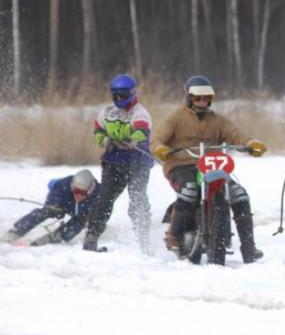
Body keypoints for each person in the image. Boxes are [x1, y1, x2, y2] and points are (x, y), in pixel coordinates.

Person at [151, 75, 267, 263]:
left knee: (239, 194)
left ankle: (249, 247)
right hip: (182, 164)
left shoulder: (218, 120)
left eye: (207, 98)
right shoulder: (175, 117)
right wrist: (160, 148)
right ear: (189, 98)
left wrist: (250, 143)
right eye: (198, 98)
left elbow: (235, 135)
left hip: (212, 166)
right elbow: (157, 138)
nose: (203, 102)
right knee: (189, 189)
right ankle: (174, 235)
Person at [82, 74, 153, 253]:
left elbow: (141, 132)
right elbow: (98, 130)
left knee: (137, 199)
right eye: (116, 95)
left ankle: (144, 240)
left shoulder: (140, 113)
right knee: (104, 199)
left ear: (132, 93)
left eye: (123, 95)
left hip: (137, 162)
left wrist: (131, 139)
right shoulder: (106, 112)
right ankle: (92, 236)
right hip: (113, 161)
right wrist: (105, 140)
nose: (119, 98)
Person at [1, 170, 100, 247]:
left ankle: (58, 237)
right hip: (65, 206)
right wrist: (54, 207)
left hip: (83, 213)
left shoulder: (100, 193)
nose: (79, 195)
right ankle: (16, 231)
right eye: (76, 191)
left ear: (90, 190)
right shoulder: (62, 185)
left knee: (79, 222)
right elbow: (52, 200)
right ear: (72, 186)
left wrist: (93, 217)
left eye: (83, 193)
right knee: (44, 212)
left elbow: (103, 212)